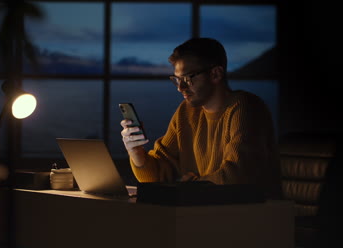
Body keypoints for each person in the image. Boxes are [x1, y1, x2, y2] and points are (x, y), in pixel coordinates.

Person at [120, 37, 281, 199]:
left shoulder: (245, 107)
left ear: (216, 74)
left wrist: (189, 186)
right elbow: (157, 176)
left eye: (188, 79)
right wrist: (136, 152)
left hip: (251, 216)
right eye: (176, 80)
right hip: (202, 212)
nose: (180, 88)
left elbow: (237, 177)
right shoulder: (186, 111)